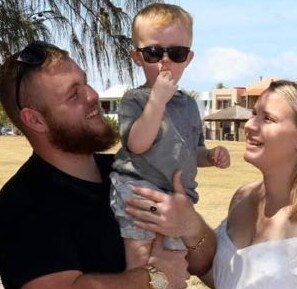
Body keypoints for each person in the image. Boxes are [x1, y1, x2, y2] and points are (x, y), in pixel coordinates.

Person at [0, 40, 215, 289]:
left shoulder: (131, 169)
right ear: (35, 119)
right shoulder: (23, 204)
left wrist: (190, 225)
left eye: (85, 82)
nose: (93, 95)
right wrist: (154, 278)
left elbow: (204, 263)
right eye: (73, 94)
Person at [127, 80, 297, 288]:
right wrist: (188, 226)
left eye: (268, 119)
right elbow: (222, 276)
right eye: (254, 113)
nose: (250, 125)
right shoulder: (243, 198)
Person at [109, 3, 230, 270]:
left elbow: (192, 151)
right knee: (143, 262)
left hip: (178, 198)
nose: (165, 61)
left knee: (174, 262)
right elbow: (137, 144)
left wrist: (209, 156)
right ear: (137, 57)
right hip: (139, 191)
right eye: (153, 53)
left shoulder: (188, 105)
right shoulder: (135, 99)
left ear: (188, 58)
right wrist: (157, 101)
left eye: (176, 53)